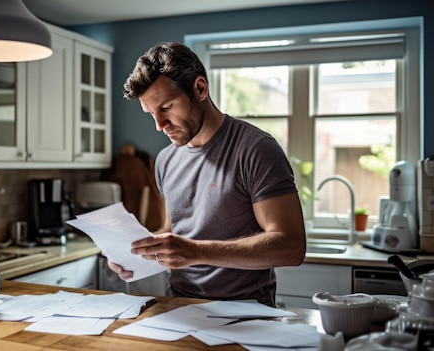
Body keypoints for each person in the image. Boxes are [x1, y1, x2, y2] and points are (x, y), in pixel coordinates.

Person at [108, 42, 306, 307]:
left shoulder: (256, 149)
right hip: (180, 308)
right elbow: (173, 230)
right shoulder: (166, 160)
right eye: (151, 114)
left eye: (166, 107)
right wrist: (134, 254)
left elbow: (291, 247)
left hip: (247, 312)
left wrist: (197, 252)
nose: (159, 125)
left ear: (200, 88)